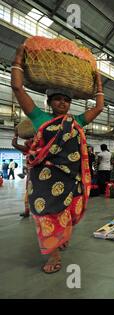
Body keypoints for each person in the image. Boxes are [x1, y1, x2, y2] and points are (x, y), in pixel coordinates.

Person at [11, 44, 104, 273]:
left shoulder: (76, 122)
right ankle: (53, 254)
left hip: (71, 180)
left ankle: (61, 238)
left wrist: (98, 82)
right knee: (46, 215)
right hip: (44, 181)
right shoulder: (39, 117)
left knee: (67, 213)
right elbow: (17, 87)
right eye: (58, 99)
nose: (62, 103)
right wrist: (19, 59)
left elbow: (99, 106)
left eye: (66, 100)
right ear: (50, 102)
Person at [11, 127, 34, 217]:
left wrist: (16, 135)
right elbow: (14, 144)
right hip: (31, 176)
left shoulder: (38, 150)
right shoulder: (28, 150)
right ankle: (27, 211)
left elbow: (14, 144)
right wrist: (16, 134)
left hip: (39, 176)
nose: (26, 142)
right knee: (28, 194)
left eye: (30, 141)